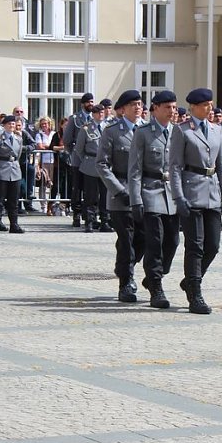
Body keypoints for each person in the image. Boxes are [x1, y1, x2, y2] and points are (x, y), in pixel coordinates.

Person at [169, 87, 222, 314]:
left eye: (211, 104)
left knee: (212, 246)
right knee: (194, 246)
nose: (210, 108)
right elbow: (174, 167)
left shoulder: (216, 130)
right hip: (191, 191)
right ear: (194, 107)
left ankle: (190, 280)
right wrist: (178, 196)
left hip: (213, 192)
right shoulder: (182, 130)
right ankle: (195, 292)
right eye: (205, 105)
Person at [128, 90, 180, 309]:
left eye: (174, 107)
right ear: (155, 108)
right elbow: (135, 169)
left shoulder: (178, 132)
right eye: (167, 107)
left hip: (172, 194)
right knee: (155, 242)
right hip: (150, 192)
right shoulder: (143, 133)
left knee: (173, 241)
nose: (172, 111)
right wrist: (136, 199)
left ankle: (153, 277)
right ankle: (156, 288)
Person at [97, 89, 146, 303]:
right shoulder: (112, 131)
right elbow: (102, 164)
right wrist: (118, 190)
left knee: (143, 238)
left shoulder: (147, 129)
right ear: (122, 109)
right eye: (133, 104)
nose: (138, 107)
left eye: (140, 104)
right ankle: (126, 282)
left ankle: (124, 266)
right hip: (121, 193)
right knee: (126, 239)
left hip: (144, 193)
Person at [0, 115, 24, 234]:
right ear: (4, 125)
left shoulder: (18, 138)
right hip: (0, 169)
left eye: (13, 124)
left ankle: (14, 224)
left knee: (14, 200)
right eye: (9, 124)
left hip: (14, 169)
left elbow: (18, 155)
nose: (11, 126)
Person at [77, 104, 111, 233]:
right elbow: (79, 149)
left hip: (106, 165)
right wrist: (87, 161)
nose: (100, 114)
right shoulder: (86, 128)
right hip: (90, 164)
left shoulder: (109, 127)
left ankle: (105, 221)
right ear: (93, 114)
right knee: (91, 196)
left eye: (102, 112)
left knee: (105, 195)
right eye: (97, 112)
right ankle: (90, 222)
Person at [64, 92, 95, 227]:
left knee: (91, 188)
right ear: (83, 104)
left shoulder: (95, 118)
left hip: (91, 158)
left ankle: (89, 214)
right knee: (77, 187)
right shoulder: (75, 118)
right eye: (88, 102)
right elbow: (67, 139)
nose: (91, 104)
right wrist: (73, 153)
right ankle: (76, 213)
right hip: (78, 158)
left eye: (92, 102)